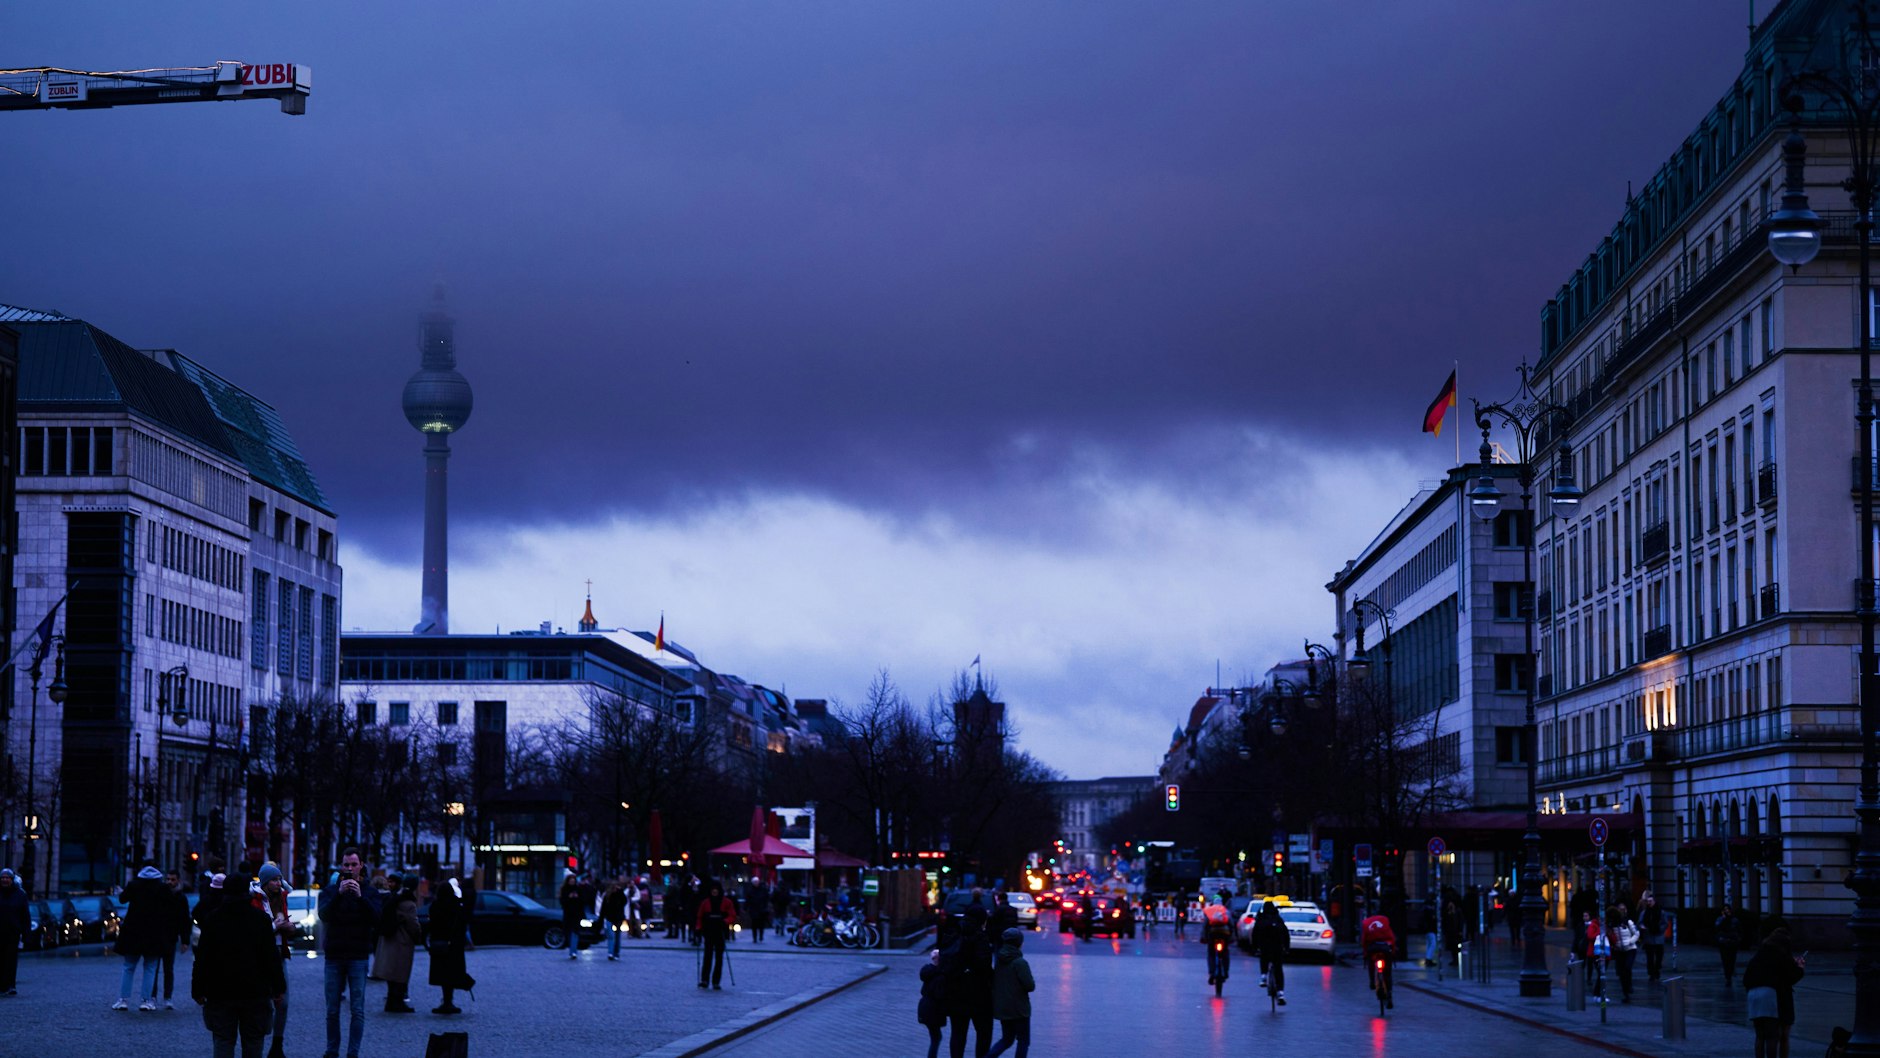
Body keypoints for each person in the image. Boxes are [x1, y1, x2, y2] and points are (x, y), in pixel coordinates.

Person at [192, 868, 286, 1058]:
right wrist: (278, 988)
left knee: (223, 1042)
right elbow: (271, 957)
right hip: (255, 993)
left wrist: (198, 989)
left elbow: (203, 958)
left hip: (220, 993)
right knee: (253, 1044)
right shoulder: (260, 920)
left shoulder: (212, 920)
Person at [318, 847, 380, 1058]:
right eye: (346, 865)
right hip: (334, 956)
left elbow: (377, 918)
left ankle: (353, 1052)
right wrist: (339, 894)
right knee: (332, 1009)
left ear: (361, 866)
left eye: (354, 864)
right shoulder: (330, 891)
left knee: (358, 1009)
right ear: (341, 867)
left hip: (358, 956)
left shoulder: (370, 892)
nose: (350, 868)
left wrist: (361, 897)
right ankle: (332, 1050)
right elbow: (323, 915)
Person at [115, 862, 171, 1011]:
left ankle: (123, 999)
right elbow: (169, 907)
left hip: (134, 931)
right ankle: (147, 1000)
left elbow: (122, 899)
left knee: (128, 967)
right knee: (150, 967)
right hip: (154, 932)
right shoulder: (163, 888)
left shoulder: (134, 885)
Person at [1744, 925, 1805, 1058]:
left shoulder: (1759, 954)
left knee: (1760, 1036)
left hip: (1753, 994)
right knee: (1773, 1036)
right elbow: (1791, 976)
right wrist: (1799, 967)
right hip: (1769, 994)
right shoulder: (1782, 954)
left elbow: (1747, 977)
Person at [944, 906, 993, 1058]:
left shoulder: (954, 933)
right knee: (984, 1033)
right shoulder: (980, 937)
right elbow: (983, 965)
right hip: (979, 995)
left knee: (958, 1033)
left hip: (955, 993)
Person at [257, 864, 295, 1058]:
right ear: (264, 882)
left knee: (284, 1002)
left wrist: (288, 927)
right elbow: (256, 931)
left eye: (279, 879)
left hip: (280, 952)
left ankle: (277, 1044)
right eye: (274, 880)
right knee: (265, 1003)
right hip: (262, 955)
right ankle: (259, 1043)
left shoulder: (282, 898)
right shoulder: (255, 901)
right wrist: (275, 926)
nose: (278, 883)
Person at [371, 875, 420, 1013]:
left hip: (389, 939)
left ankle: (392, 1001)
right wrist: (418, 936)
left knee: (392, 974)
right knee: (401, 973)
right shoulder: (408, 903)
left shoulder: (394, 897)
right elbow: (413, 924)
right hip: (402, 942)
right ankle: (397, 1002)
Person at [426, 877, 474, 1015]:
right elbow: (462, 924)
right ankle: (449, 1001)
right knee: (452, 973)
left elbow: (431, 925)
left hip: (439, 943)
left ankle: (446, 1001)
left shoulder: (435, 905)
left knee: (442, 973)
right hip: (453, 944)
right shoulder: (456, 905)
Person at [986, 927, 1034, 1058]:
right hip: (1019, 1009)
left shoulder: (999, 960)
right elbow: (1030, 985)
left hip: (1003, 1007)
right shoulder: (1020, 962)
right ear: (1019, 943)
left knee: (1006, 1040)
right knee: (1023, 1041)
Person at [696, 880, 739, 989]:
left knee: (719, 958)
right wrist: (698, 928)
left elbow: (732, 915)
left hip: (720, 931)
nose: (714, 892)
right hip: (709, 931)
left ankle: (716, 981)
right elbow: (700, 916)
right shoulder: (705, 902)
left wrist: (725, 922)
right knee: (707, 957)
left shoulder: (726, 902)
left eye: (716, 890)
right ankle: (705, 980)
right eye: (713, 890)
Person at [1250, 899, 1290, 1004]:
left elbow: (1255, 934)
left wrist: (1255, 948)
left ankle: (1263, 976)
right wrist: (1286, 948)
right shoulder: (1278, 919)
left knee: (1264, 958)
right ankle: (1281, 992)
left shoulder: (1261, 919)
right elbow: (1286, 934)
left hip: (1265, 946)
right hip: (1277, 947)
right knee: (1278, 969)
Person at [0, 868, 28, 996]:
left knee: (10, 959)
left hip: (13, 932)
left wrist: (25, 932)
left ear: (12, 880)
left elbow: (25, 915)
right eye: (3, 877)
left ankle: (10, 985)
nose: (5, 880)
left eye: (7, 878)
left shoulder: (20, 894)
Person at [1361, 907, 1396, 1006]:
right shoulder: (1385, 920)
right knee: (1387, 973)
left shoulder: (1366, 923)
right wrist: (1393, 952)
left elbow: (1364, 941)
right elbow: (1392, 937)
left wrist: (1365, 953)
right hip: (1385, 948)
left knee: (1371, 963)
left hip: (1373, 948)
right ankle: (1389, 994)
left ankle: (1372, 981)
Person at [918, 947, 948, 1058]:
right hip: (933, 1010)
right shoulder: (940, 976)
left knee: (935, 1036)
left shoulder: (928, 972)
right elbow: (940, 995)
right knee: (936, 1038)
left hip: (924, 1007)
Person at [1200, 893, 1235, 988]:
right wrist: (1232, 937)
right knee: (1225, 953)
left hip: (1213, 934)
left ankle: (1212, 972)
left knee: (1211, 953)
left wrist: (1203, 937)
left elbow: (1205, 925)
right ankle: (1226, 972)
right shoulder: (1225, 910)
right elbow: (1231, 924)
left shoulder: (1210, 910)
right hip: (1224, 934)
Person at [557, 870, 592, 959]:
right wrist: (569, 897)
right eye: (571, 880)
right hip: (568, 914)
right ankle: (571, 949)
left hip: (576, 915)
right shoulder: (564, 890)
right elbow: (562, 902)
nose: (572, 882)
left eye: (573, 880)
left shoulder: (578, 889)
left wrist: (577, 897)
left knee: (575, 933)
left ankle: (573, 951)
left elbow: (584, 900)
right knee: (568, 932)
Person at [1608, 903, 1639, 1002]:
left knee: (1627, 968)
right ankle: (1626, 994)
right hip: (1619, 950)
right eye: (1620, 909)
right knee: (1622, 973)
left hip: (1630, 949)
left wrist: (1630, 942)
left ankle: (1629, 986)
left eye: (1623, 909)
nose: (1622, 911)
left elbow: (1636, 933)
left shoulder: (1628, 922)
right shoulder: (1612, 924)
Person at [1637, 890, 1667, 982]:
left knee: (1659, 957)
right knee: (1650, 957)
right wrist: (1643, 927)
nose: (1649, 903)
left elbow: (1664, 923)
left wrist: (1659, 929)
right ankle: (1651, 973)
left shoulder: (1661, 912)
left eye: (1651, 901)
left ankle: (1656, 970)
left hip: (1658, 937)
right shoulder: (1645, 912)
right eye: (1648, 901)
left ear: (1654, 901)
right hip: (1649, 937)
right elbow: (1640, 922)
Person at [1715, 903, 1744, 986]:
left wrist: (1738, 939)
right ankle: (1727, 976)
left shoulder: (1735, 920)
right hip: (1723, 943)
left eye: (1728, 910)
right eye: (1725, 910)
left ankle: (1729, 975)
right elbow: (1717, 929)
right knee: (1725, 960)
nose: (1727, 911)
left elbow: (1740, 930)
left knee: (1731, 960)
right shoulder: (1720, 919)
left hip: (1732, 943)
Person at [600, 878, 629, 960]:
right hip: (609, 917)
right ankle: (611, 952)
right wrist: (601, 918)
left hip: (618, 917)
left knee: (617, 936)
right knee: (611, 936)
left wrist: (620, 892)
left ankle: (616, 952)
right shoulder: (607, 896)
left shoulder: (620, 894)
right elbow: (603, 907)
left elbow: (624, 902)